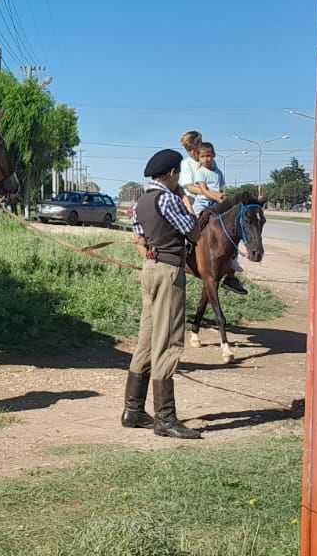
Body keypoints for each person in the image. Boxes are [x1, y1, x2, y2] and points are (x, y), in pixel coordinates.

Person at [123, 148, 211, 439]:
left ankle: (133, 411)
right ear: (172, 173)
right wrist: (190, 210)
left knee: (146, 340)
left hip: (149, 268)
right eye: (179, 174)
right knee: (170, 341)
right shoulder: (168, 199)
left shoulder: (143, 201)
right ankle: (165, 418)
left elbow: (139, 238)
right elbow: (193, 234)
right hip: (169, 271)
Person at [182, 141, 248, 295]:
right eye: (203, 156)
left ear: (213, 155)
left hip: (218, 204)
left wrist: (224, 198)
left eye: (209, 156)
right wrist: (217, 197)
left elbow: (222, 188)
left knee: (232, 229)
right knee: (191, 224)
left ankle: (232, 268)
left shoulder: (217, 171)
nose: (206, 159)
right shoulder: (199, 171)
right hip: (202, 204)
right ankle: (185, 251)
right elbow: (203, 191)